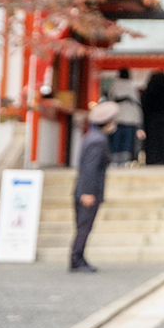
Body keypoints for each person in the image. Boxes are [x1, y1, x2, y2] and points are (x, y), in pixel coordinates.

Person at [71, 101, 118, 272]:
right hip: (88, 191)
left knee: (82, 226)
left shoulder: (90, 137)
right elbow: (90, 169)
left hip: (82, 189)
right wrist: (88, 192)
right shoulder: (98, 141)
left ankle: (79, 257)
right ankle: (76, 259)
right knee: (84, 227)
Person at [107, 69, 143, 165]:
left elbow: (110, 98)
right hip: (131, 118)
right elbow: (137, 103)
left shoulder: (114, 84)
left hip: (117, 117)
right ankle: (125, 160)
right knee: (127, 141)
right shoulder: (133, 85)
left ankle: (114, 160)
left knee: (116, 140)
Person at [141, 71, 164, 167]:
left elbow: (143, 106)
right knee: (163, 141)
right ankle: (162, 160)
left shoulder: (147, 91)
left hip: (150, 120)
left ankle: (150, 160)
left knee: (151, 141)